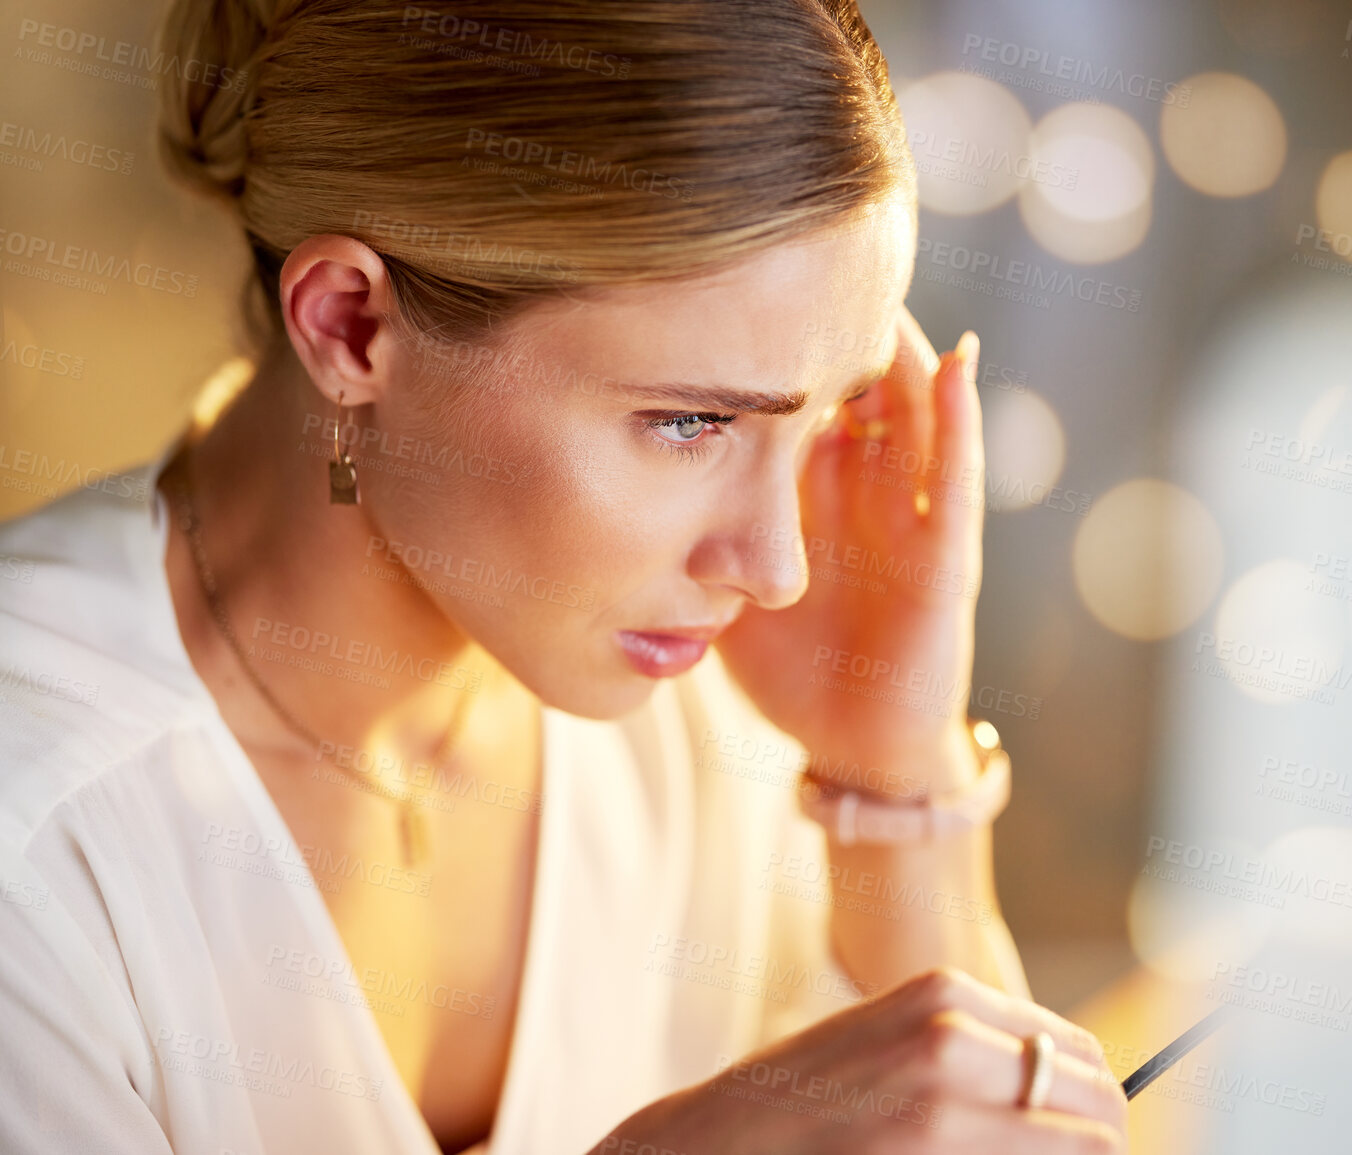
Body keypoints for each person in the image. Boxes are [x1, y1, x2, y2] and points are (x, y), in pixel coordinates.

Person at [0, 1, 1128, 1152]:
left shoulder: (714, 712)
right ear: (348, 328)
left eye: (829, 417)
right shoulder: (38, 837)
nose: (779, 569)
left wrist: (893, 777)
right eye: (692, 422)